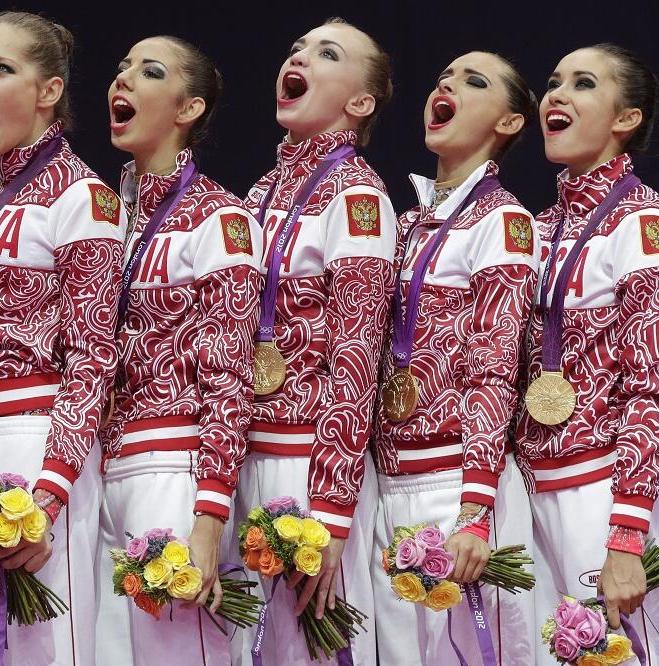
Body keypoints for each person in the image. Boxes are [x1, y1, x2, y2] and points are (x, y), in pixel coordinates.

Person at [0, 12, 123, 666]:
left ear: (49, 92)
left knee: (45, 650)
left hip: (34, 442)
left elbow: (93, 356)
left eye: (1, 69)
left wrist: (51, 490)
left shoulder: (83, 196)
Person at [514, 44, 659, 665]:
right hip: (530, 488)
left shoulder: (645, 226)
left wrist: (625, 537)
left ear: (626, 119)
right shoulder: (535, 228)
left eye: (583, 84)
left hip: (606, 490)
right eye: (553, 81)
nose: (556, 95)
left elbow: (652, 394)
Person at [96, 35, 263, 665]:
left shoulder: (221, 219)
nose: (123, 80)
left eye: (149, 71)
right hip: (98, 472)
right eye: (121, 68)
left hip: (174, 468)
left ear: (188, 109)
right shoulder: (108, 214)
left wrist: (208, 519)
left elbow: (229, 378)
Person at [236, 18, 396, 665]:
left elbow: (356, 360)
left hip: (311, 465)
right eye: (297, 46)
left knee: (316, 651)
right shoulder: (258, 193)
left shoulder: (358, 196)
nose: (298, 56)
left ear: (359, 103)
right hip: (247, 457)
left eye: (327, 53)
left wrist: (330, 511)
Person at [371, 51, 539, 665]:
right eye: (443, 76)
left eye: (474, 82)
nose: (447, 84)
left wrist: (474, 509)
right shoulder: (407, 223)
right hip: (387, 484)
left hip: (456, 482)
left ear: (511, 122)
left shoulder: (504, 222)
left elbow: (494, 370)